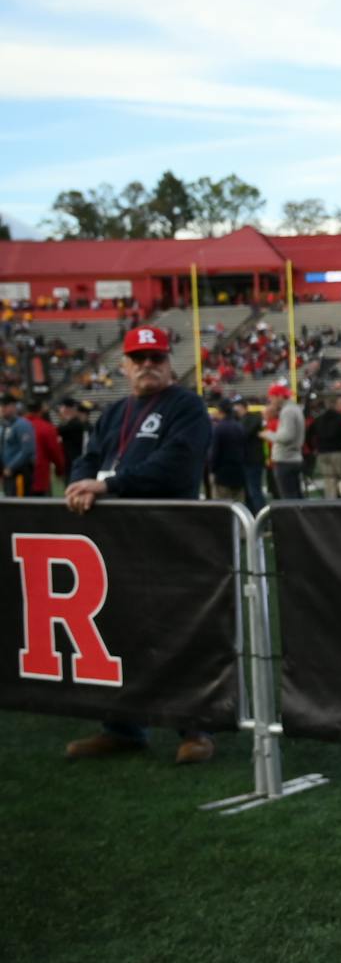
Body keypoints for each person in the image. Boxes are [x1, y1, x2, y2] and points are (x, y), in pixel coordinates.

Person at [63, 324, 216, 764]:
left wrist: (107, 485)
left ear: (169, 364)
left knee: (177, 632)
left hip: (169, 534)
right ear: (124, 365)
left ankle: (195, 727)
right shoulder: (113, 413)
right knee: (118, 630)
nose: (148, 366)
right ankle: (124, 726)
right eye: (139, 359)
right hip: (116, 538)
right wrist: (79, 485)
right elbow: (88, 459)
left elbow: (175, 466)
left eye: (156, 359)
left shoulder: (186, 406)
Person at [309, 397, 341, 498]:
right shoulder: (340, 417)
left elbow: (309, 434)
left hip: (323, 452)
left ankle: (331, 502)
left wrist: (313, 448)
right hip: (339, 451)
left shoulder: (319, 419)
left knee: (329, 479)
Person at [266, 380, 304, 500]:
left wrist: (269, 435)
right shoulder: (294, 408)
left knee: (289, 498)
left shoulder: (287, 411)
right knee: (296, 497)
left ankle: (292, 519)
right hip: (293, 457)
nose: (271, 401)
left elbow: (286, 437)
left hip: (286, 460)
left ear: (280, 396)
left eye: (272, 398)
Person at [208, 399, 250, 503]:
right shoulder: (240, 426)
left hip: (223, 474)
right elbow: (245, 450)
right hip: (239, 472)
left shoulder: (219, 428)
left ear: (220, 411)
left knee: (222, 507)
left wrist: (212, 470)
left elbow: (215, 453)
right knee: (239, 506)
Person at [26, 397, 66, 497]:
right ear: (41, 409)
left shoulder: (18, 425)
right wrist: (60, 470)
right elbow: (55, 452)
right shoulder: (47, 427)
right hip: (40, 477)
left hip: (18, 478)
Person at [0, 394, 34, 496]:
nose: (2, 409)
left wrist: (11, 467)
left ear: (13, 407)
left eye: (5, 406)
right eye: (1, 406)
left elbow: (27, 450)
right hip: (7, 473)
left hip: (19, 473)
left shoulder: (22, 424)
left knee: (20, 505)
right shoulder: (3, 425)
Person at [55, 397, 88, 473]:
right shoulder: (73, 424)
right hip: (72, 462)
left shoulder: (74, 424)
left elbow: (57, 431)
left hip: (72, 463)